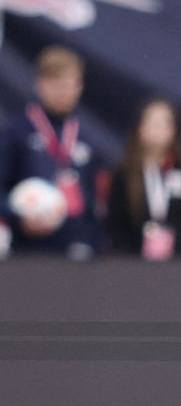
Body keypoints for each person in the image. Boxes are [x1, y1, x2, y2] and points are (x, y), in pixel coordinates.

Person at [0, 45, 102, 258]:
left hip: (74, 250)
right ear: (40, 85)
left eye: (68, 84)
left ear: (79, 86)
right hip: (27, 248)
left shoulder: (86, 138)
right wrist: (18, 218)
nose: (62, 91)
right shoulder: (17, 131)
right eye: (55, 84)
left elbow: (94, 202)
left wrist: (91, 240)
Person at [106, 98, 181, 258]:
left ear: (173, 131)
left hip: (178, 266)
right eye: (151, 122)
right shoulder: (123, 173)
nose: (156, 129)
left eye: (163, 123)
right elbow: (115, 225)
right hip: (133, 265)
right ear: (140, 129)